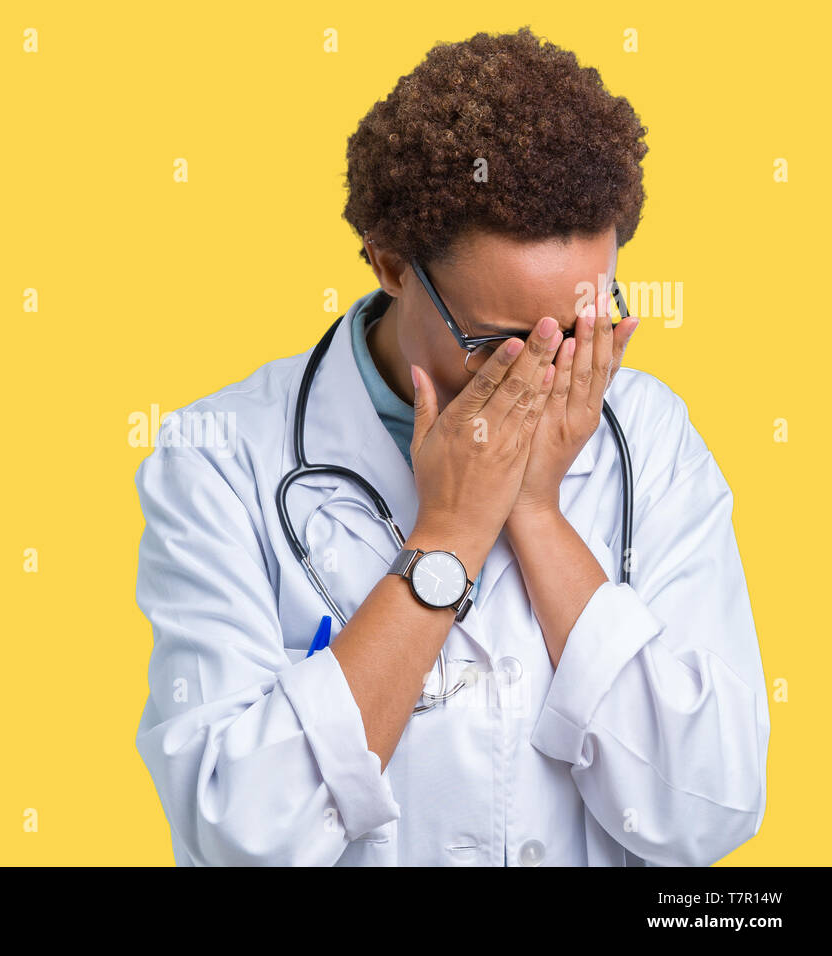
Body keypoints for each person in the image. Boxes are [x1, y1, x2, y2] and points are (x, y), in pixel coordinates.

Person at [131, 26, 770, 866]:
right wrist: (451, 534)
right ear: (390, 265)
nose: (553, 369)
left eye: (585, 327)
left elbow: (710, 805)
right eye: (505, 339)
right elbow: (241, 835)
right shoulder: (221, 457)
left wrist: (535, 510)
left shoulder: (649, 437)